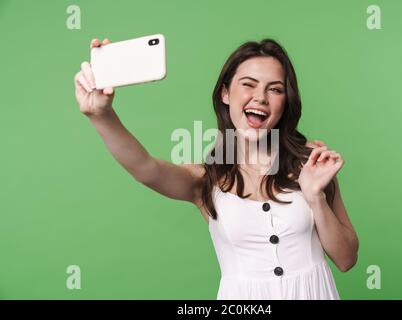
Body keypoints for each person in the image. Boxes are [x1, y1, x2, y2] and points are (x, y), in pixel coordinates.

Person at [74, 37, 359, 300]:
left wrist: (315, 197)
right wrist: (102, 115)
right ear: (225, 93)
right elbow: (146, 168)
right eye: (248, 84)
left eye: (275, 89)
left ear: (285, 102)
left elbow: (346, 259)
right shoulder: (205, 180)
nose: (261, 97)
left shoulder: (310, 166)